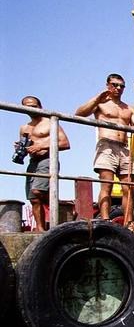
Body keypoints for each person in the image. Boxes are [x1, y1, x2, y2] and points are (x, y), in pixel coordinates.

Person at [75, 73, 134, 231]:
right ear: (108, 85)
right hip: (106, 146)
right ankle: (105, 220)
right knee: (106, 186)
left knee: (129, 188)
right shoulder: (101, 103)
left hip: (124, 148)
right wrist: (98, 97)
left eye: (121, 86)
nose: (118, 88)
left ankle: (128, 222)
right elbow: (79, 113)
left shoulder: (128, 108)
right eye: (115, 85)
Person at [17, 96, 71, 231]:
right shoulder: (24, 128)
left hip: (47, 160)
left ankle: (65, 208)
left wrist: (41, 146)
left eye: (34, 106)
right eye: (27, 106)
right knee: (33, 198)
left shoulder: (50, 122)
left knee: (38, 191)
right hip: (33, 162)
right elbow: (26, 148)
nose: (31, 108)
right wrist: (21, 148)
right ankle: (40, 230)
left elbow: (65, 143)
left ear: (40, 107)